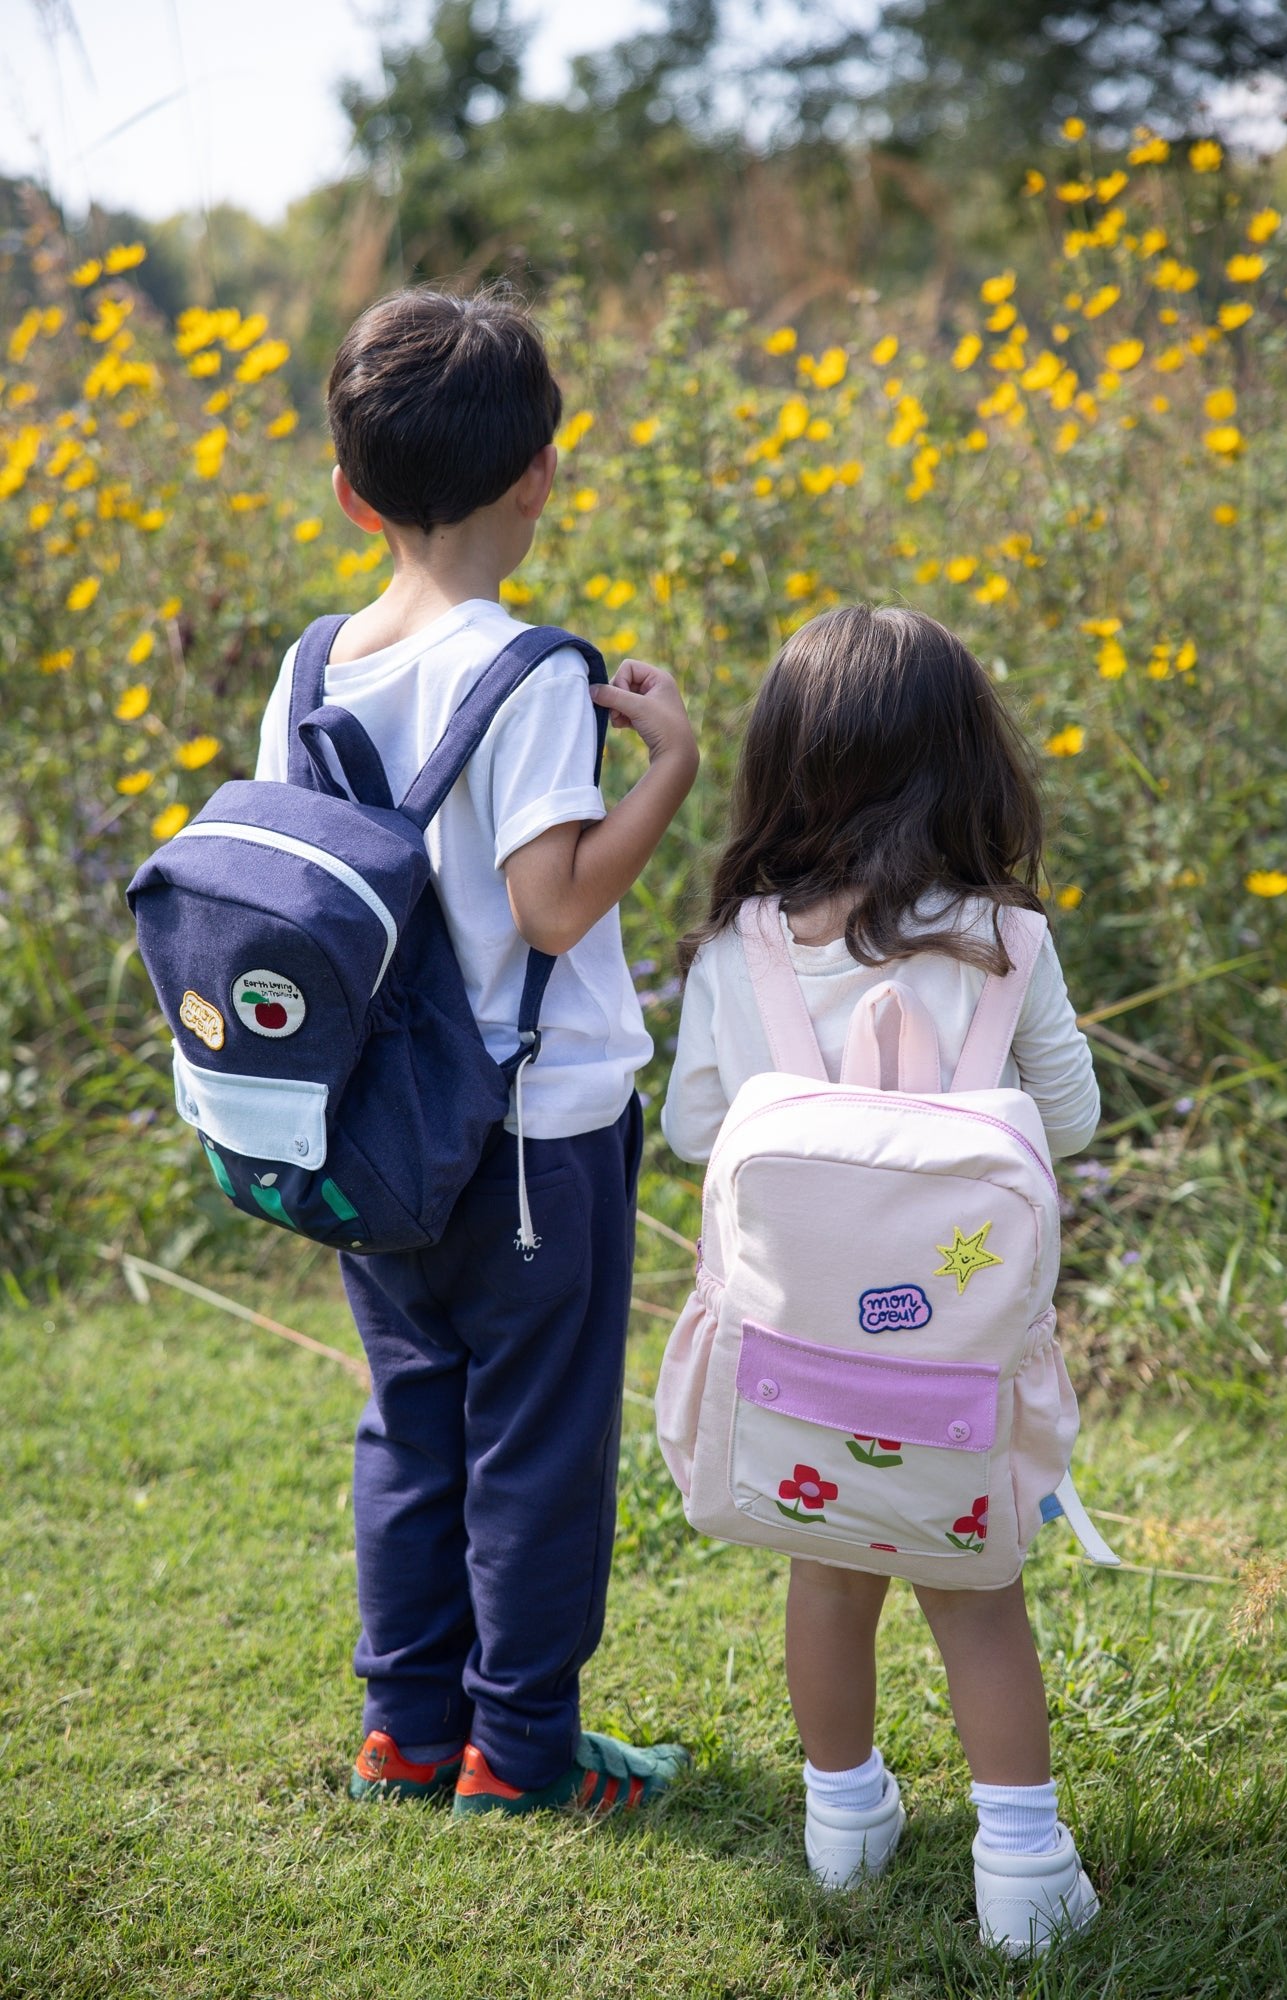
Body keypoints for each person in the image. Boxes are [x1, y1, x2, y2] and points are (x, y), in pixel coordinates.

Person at [254, 285, 698, 1815]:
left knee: (414, 1424)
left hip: (366, 1135)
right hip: (534, 1135)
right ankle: (518, 1757)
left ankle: (404, 1734)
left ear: (350, 492)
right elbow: (554, 908)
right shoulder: (524, 675)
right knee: (537, 1448)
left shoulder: (312, 668)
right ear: (539, 473)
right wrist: (674, 767)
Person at [662, 604, 1102, 1951]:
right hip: (956, 1379)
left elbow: (691, 1129)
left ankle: (842, 1820)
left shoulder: (744, 942)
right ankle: (1021, 1867)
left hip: (796, 1370)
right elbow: (1070, 1121)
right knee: (976, 1599)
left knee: (825, 1573)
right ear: (965, 759)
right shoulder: (1002, 940)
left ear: (780, 762)